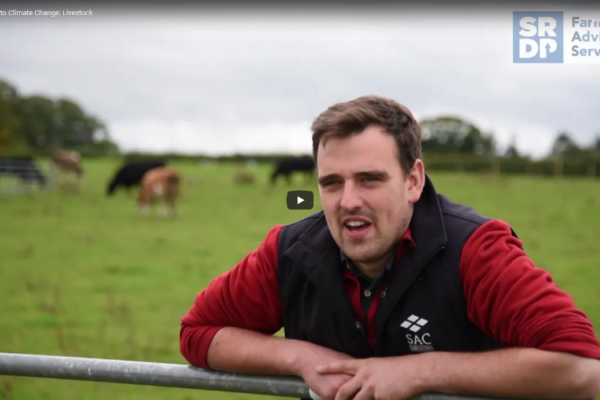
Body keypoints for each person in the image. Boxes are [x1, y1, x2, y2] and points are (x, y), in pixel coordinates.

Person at [180, 95, 600, 400]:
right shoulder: (291, 251)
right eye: (331, 183)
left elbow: (583, 371)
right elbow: (198, 332)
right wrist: (298, 356)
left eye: (370, 179)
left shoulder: (476, 249)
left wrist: (421, 372)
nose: (348, 202)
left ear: (414, 180)